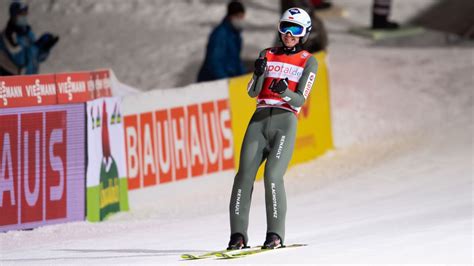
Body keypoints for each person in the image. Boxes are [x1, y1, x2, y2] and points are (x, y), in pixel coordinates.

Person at [227, 7, 318, 250]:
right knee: (243, 176)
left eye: (295, 29)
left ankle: (275, 235)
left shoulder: (308, 60)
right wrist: (257, 74)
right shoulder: (267, 54)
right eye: (284, 27)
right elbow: (252, 92)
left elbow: (299, 100)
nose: (288, 33)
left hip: (284, 122)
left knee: (272, 176)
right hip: (258, 120)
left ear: (304, 33)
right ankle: (237, 236)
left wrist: (284, 92)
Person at [0, 1, 59, 76]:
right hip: (11, 80)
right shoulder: (8, 35)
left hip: (29, 78)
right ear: (13, 16)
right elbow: (20, 59)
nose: (24, 17)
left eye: (25, 14)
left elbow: (36, 58)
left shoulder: (28, 33)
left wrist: (45, 48)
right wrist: (38, 46)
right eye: (21, 15)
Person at [197, 1, 246, 82]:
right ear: (231, 16)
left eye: (242, 16)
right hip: (212, 82)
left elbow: (236, 61)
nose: (241, 20)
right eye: (238, 16)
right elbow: (214, 62)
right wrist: (226, 80)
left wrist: (243, 77)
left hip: (226, 80)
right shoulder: (220, 34)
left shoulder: (235, 35)